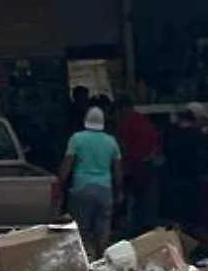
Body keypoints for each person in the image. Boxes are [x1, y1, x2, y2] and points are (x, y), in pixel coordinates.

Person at [59, 106, 122, 255]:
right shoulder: (111, 141)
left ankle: (83, 261)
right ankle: (101, 259)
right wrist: (119, 191)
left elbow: (67, 164)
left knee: (81, 229)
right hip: (104, 190)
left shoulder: (77, 139)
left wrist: (61, 184)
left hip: (81, 188)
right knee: (103, 227)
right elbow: (118, 171)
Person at [114, 97, 163, 234]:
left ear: (122, 109)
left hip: (132, 166)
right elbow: (155, 145)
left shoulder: (126, 122)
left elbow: (122, 145)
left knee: (130, 198)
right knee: (145, 200)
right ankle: (144, 227)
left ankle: (130, 227)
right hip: (147, 165)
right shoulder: (145, 121)